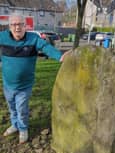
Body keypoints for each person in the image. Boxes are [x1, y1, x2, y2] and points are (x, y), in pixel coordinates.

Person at [0, 13, 66, 144]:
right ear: (9, 26)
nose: (17, 27)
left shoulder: (33, 38)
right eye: (14, 24)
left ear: (25, 26)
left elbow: (46, 47)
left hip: (25, 86)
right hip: (8, 84)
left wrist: (60, 56)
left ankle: (23, 128)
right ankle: (15, 125)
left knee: (21, 108)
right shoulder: (2, 38)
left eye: (20, 24)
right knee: (12, 107)